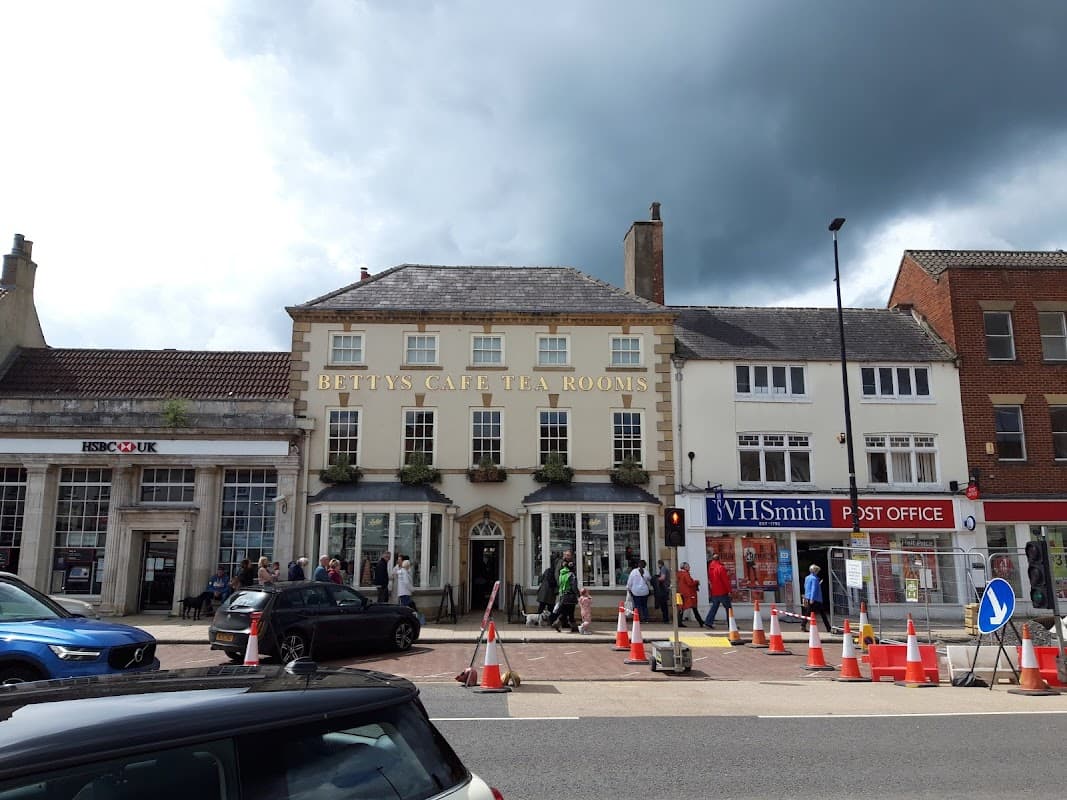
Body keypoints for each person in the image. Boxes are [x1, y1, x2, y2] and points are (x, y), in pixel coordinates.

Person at [704, 551, 733, 629]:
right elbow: (725, 581)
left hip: (714, 591)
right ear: (719, 559)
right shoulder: (721, 568)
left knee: (714, 607)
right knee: (729, 608)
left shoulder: (710, 567)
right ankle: (731, 624)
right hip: (722, 591)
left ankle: (708, 622)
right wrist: (729, 590)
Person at [550, 559, 579, 633]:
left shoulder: (561, 575)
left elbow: (560, 585)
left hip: (563, 595)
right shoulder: (571, 575)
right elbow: (573, 586)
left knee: (566, 612)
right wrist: (578, 594)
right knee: (570, 612)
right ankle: (558, 623)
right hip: (570, 596)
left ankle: (572, 626)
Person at [802, 564, 832, 632]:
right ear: (815, 571)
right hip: (816, 598)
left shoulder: (807, 578)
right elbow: (814, 589)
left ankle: (803, 625)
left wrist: (807, 596)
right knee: (822, 613)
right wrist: (812, 598)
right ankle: (828, 628)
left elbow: (805, 586)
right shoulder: (814, 579)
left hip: (809, 596)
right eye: (817, 571)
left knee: (809, 612)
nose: (818, 572)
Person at [676, 562, 703, 627]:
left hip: (681, 592)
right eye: (688, 566)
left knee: (681, 608)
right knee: (694, 607)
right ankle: (700, 622)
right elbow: (690, 583)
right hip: (688, 593)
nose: (689, 567)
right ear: (685, 567)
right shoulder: (686, 574)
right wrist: (696, 582)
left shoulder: (679, 574)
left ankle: (679, 622)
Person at [626, 559, 651, 624]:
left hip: (636, 592)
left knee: (637, 606)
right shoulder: (646, 572)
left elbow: (629, 582)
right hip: (645, 592)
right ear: (645, 565)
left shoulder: (634, 572)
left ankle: (637, 619)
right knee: (644, 606)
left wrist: (628, 588)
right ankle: (646, 619)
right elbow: (649, 579)